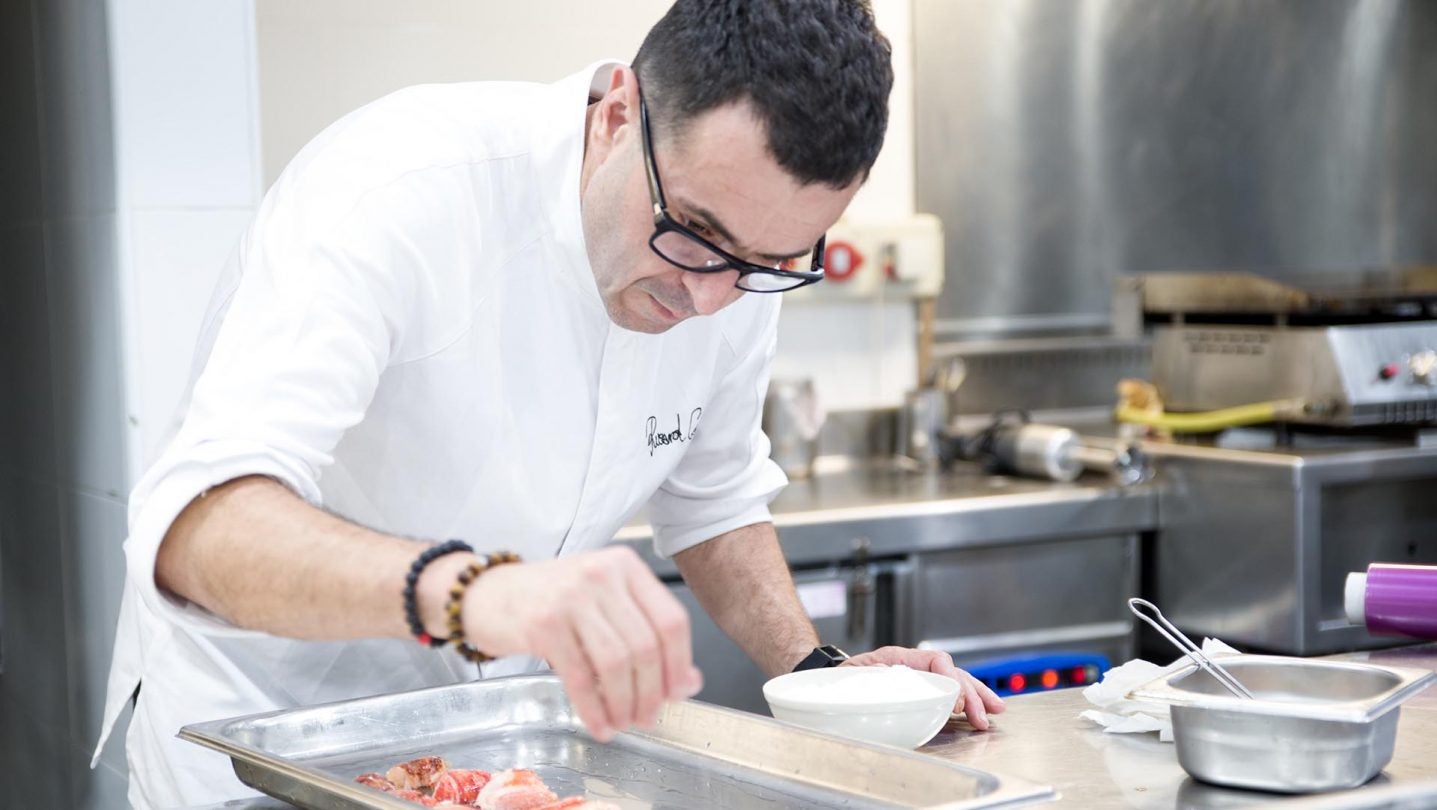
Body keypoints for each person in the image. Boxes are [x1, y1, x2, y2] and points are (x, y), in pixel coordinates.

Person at [96, 1, 1004, 806]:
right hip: (266, 751)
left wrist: (825, 680)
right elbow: (197, 533)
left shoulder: (727, 273)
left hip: (494, 755)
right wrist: (478, 592)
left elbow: (714, 500)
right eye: (695, 234)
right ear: (617, 116)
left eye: (768, 265)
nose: (709, 301)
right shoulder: (394, 191)